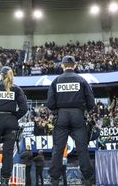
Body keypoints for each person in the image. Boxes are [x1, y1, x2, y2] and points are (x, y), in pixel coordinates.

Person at [46, 56, 95, 186]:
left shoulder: (56, 81)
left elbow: (50, 103)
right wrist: (83, 110)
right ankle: (88, 179)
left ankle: (54, 180)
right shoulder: (81, 80)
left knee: (58, 149)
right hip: (78, 116)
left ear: (62, 66)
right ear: (75, 65)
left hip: (61, 116)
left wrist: (58, 112)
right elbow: (91, 102)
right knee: (82, 149)